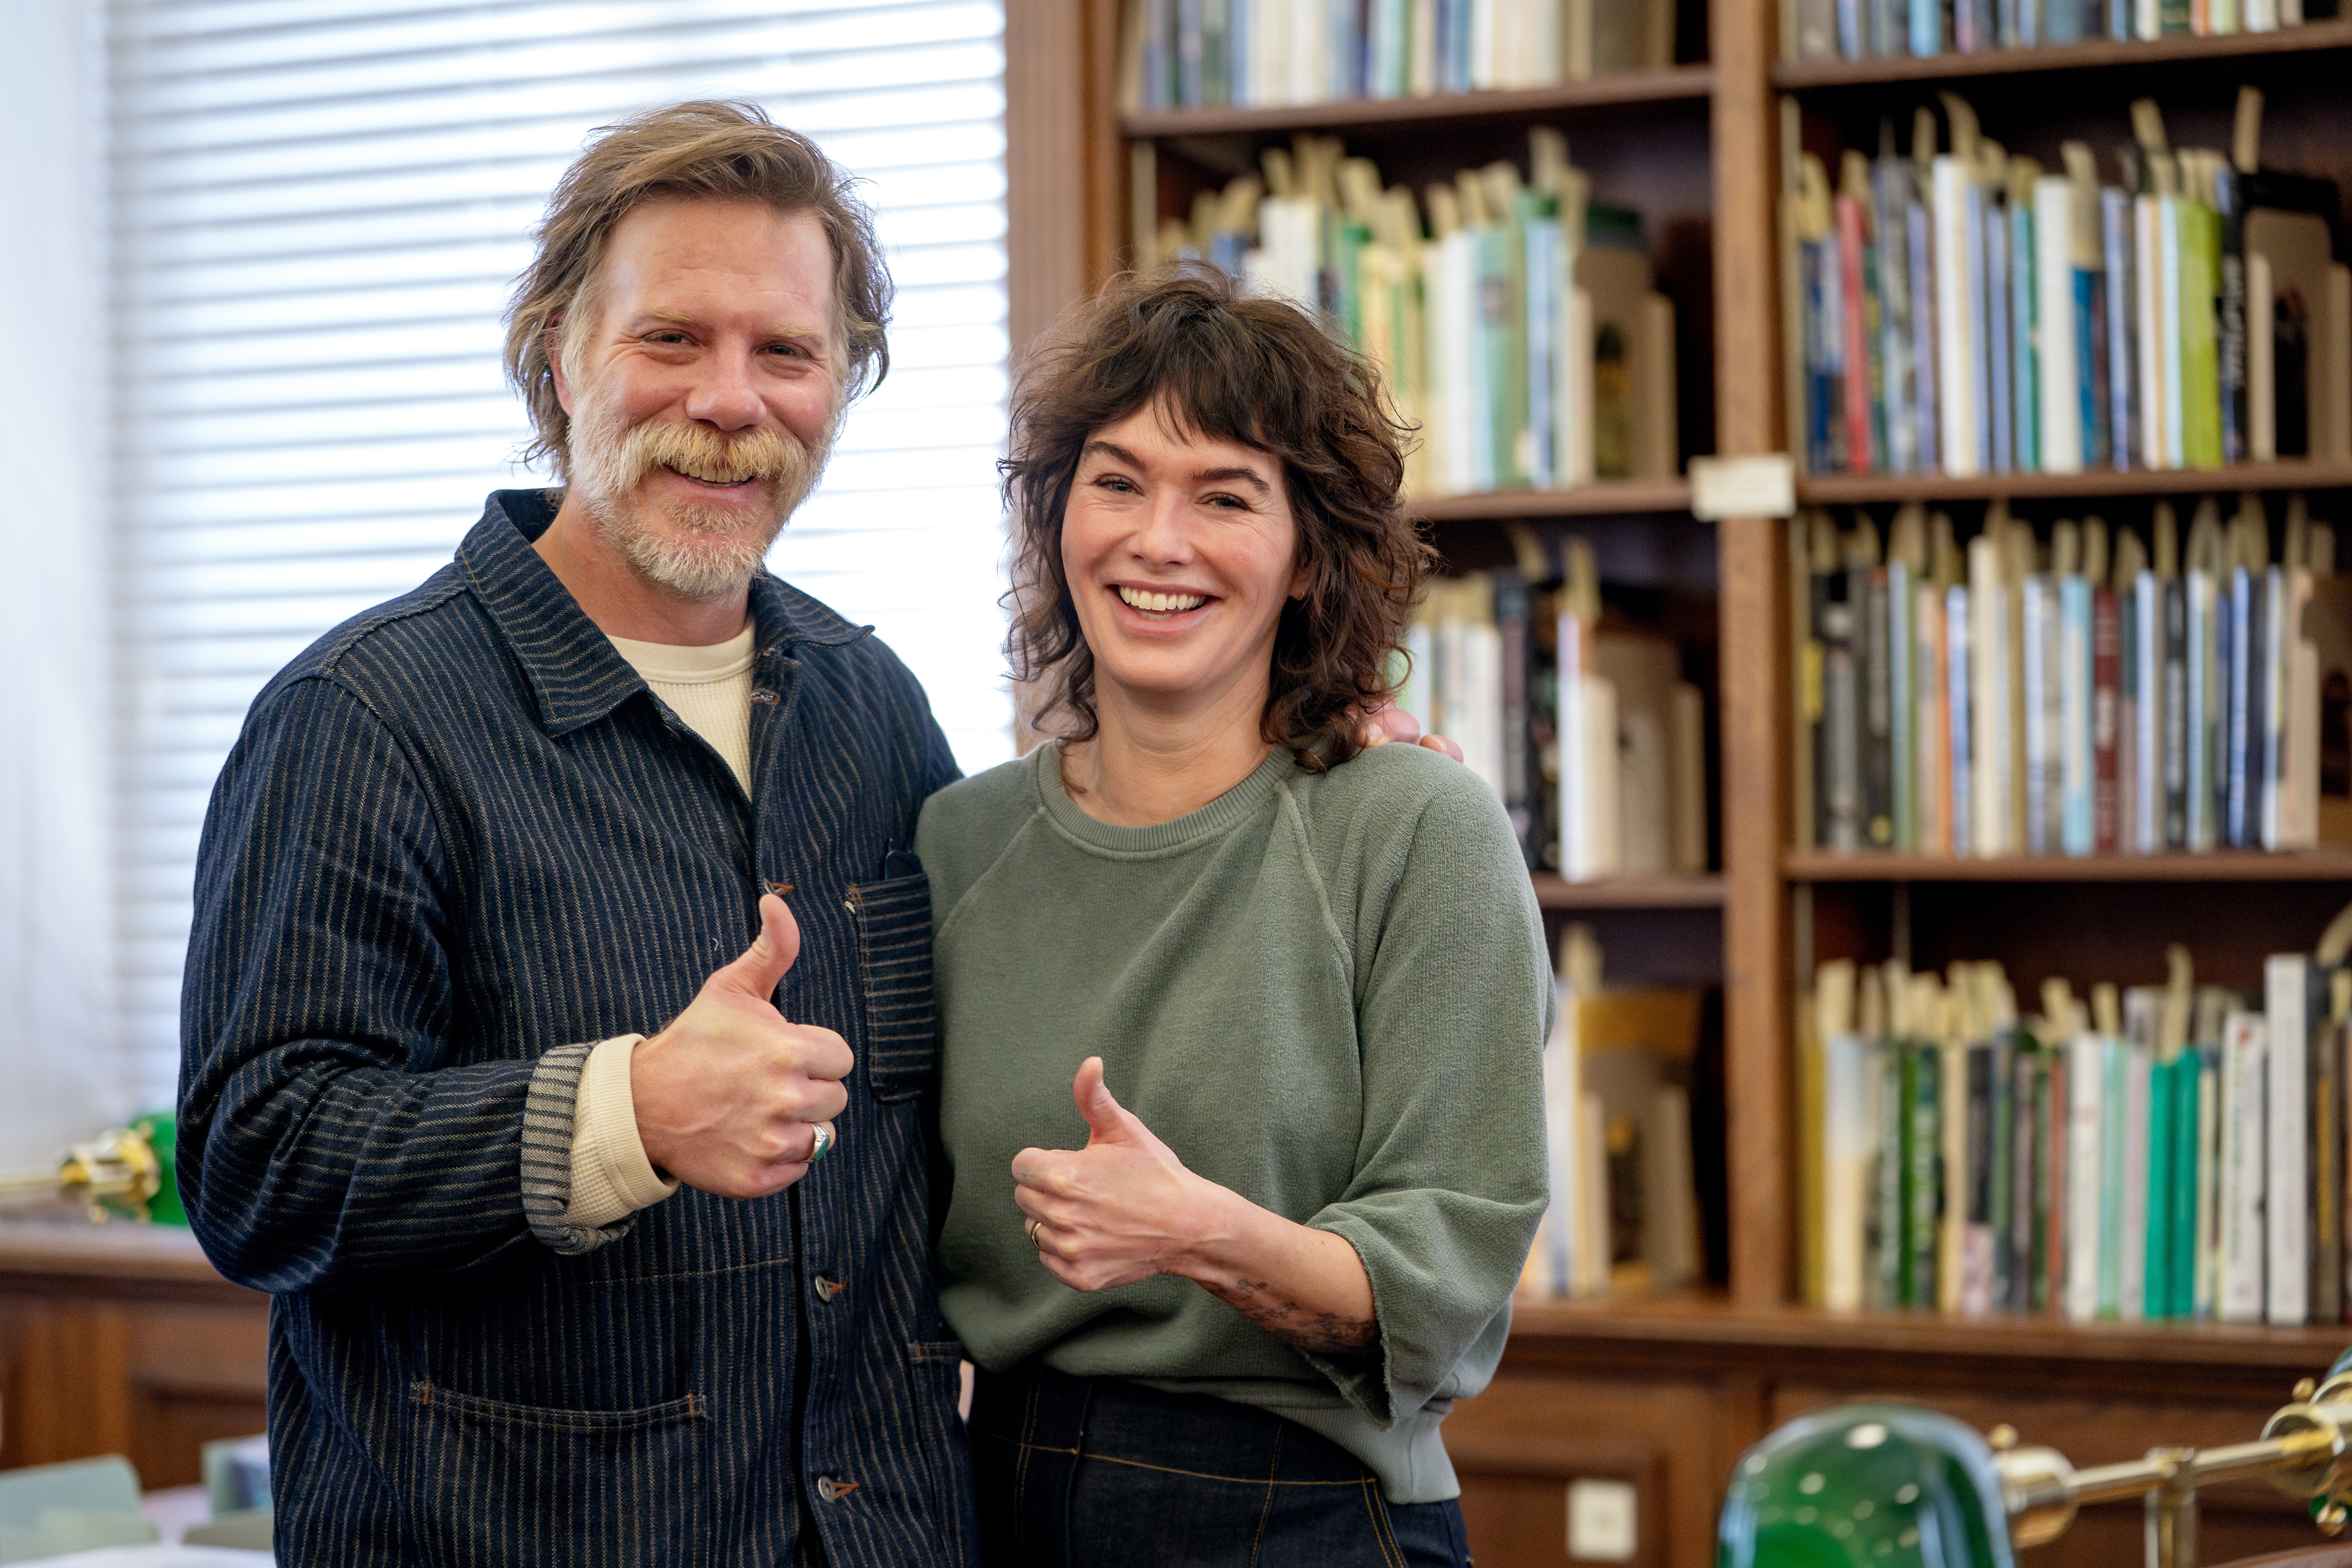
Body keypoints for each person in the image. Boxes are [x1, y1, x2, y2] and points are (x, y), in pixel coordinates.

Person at [177, 101, 977, 1566]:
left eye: (785, 352)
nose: (732, 400)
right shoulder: (364, 717)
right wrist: (629, 1113)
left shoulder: (874, 707)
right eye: (670, 338)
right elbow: (255, 1164)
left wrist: (1305, 754)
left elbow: (1023, 972)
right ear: (557, 358)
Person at [914, 268, 1553, 1566]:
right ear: (1053, 519)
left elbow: (1445, 1278)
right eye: (1116, 480)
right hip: (993, 1500)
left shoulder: (1417, 830)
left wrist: (1200, 1232)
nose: (1159, 539)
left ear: (1310, 555)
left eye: (1225, 496)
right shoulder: (952, 841)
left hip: (1308, 1508)